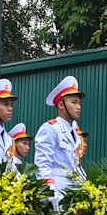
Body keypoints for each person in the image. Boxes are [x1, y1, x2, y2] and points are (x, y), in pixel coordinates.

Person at [34, 76, 87, 207]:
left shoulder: (75, 131)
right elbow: (42, 166)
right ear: (61, 104)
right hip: (58, 191)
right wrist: (51, 195)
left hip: (75, 191)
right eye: (74, 102)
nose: (78, 107)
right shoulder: (50, 128)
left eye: (79, 103)